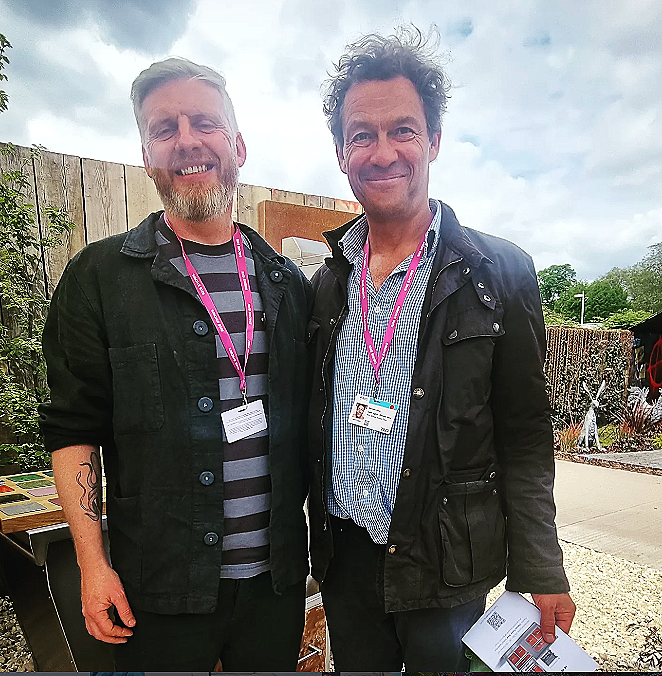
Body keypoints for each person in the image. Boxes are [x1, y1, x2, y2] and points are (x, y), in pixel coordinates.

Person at [306, 28, 575, 671]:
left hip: (445, 562)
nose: (383, 152)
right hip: (346, 562)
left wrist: (541, 567)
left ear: (432, 140)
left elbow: (525, 432)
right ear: (342, 153)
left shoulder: (498, 274)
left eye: (402, 130)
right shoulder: (326, 282)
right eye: (362, 135)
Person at [39, 57, 311, 671]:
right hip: (158, 592)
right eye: (164, 129)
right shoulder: (100, 280)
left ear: (238, 145)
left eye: (205, 123)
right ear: (147, 155)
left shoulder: (287, 285)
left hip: (274, 590)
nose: (186, 141)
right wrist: (92, 564)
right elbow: (73, 428)